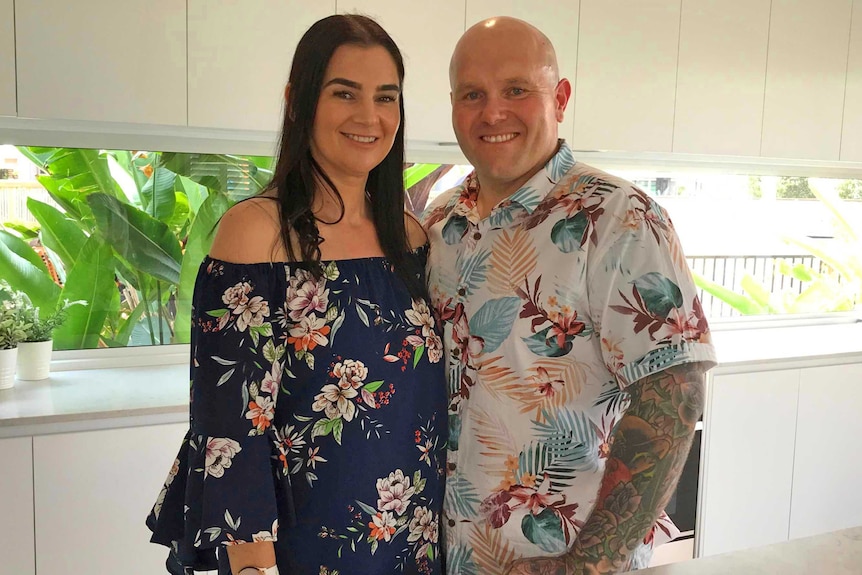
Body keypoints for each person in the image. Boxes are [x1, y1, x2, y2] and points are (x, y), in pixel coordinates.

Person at [147, 14, 447, 575]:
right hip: (301, 547)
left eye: (386, 96)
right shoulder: (255, 233)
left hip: (412, 542)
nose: (369, 116)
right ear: (296, 100)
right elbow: (232, 432)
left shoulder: (409, 238)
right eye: (344, 93)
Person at [422, 16, 718, 575]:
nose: (493, 112)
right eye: (473, 94)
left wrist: (587, 565)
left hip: (560, 558)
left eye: (516, 90)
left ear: (559, 98)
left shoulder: (619, 218)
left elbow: (672, 392)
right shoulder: (440, 223)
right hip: (440, 556)